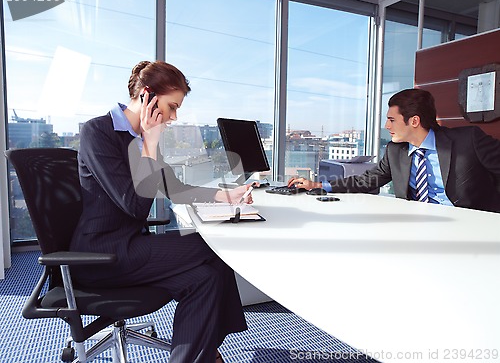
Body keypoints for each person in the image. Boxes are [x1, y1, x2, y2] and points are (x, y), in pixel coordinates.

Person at [70, 60, 251, 363]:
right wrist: (150, 146)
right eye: (172, 106)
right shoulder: (98, 132)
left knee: (204, 277)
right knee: (214, 248)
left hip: (130, 246)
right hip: (101, 255)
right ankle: (210, 352)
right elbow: (135, 205)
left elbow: (175, 189)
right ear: (146, 96)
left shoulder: (143, 140)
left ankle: (198, 354)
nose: (174, 117)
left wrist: (225, 195)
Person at [288, 88, 500, 213]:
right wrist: (318, 185)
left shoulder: (468, 140)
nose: (387, 126)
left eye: (391, 120)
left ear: (414, 121)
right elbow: (367, 180)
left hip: (470, 226)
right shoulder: (395, 150)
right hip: (416, 227)